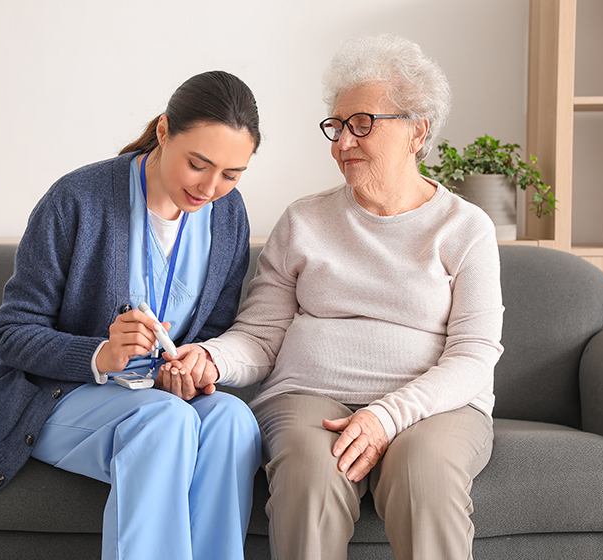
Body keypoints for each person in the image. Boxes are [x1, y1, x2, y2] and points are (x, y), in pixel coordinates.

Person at [159, 35, 504, 560]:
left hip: (435, 407)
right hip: (307, 397)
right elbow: (260, 336)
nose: (343, 142)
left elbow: (476, 353)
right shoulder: (303, 220)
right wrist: (210, 357)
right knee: (310, 479)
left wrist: (387, 417)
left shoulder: (466, 228)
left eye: (362, 123)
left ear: (418, 131)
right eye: (337, 126)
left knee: (425, 477)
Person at [0, 70, 263, 560]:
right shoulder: (77, 199)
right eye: (199, 164)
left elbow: (213, 330)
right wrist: (101, 354)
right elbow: (13, 333)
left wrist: (190, 369)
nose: (212, 188)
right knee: (164, 421)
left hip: (158, 399)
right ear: (165, 131)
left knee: (233, 419)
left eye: (231, 175)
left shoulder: (229, 215)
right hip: (58, 396)